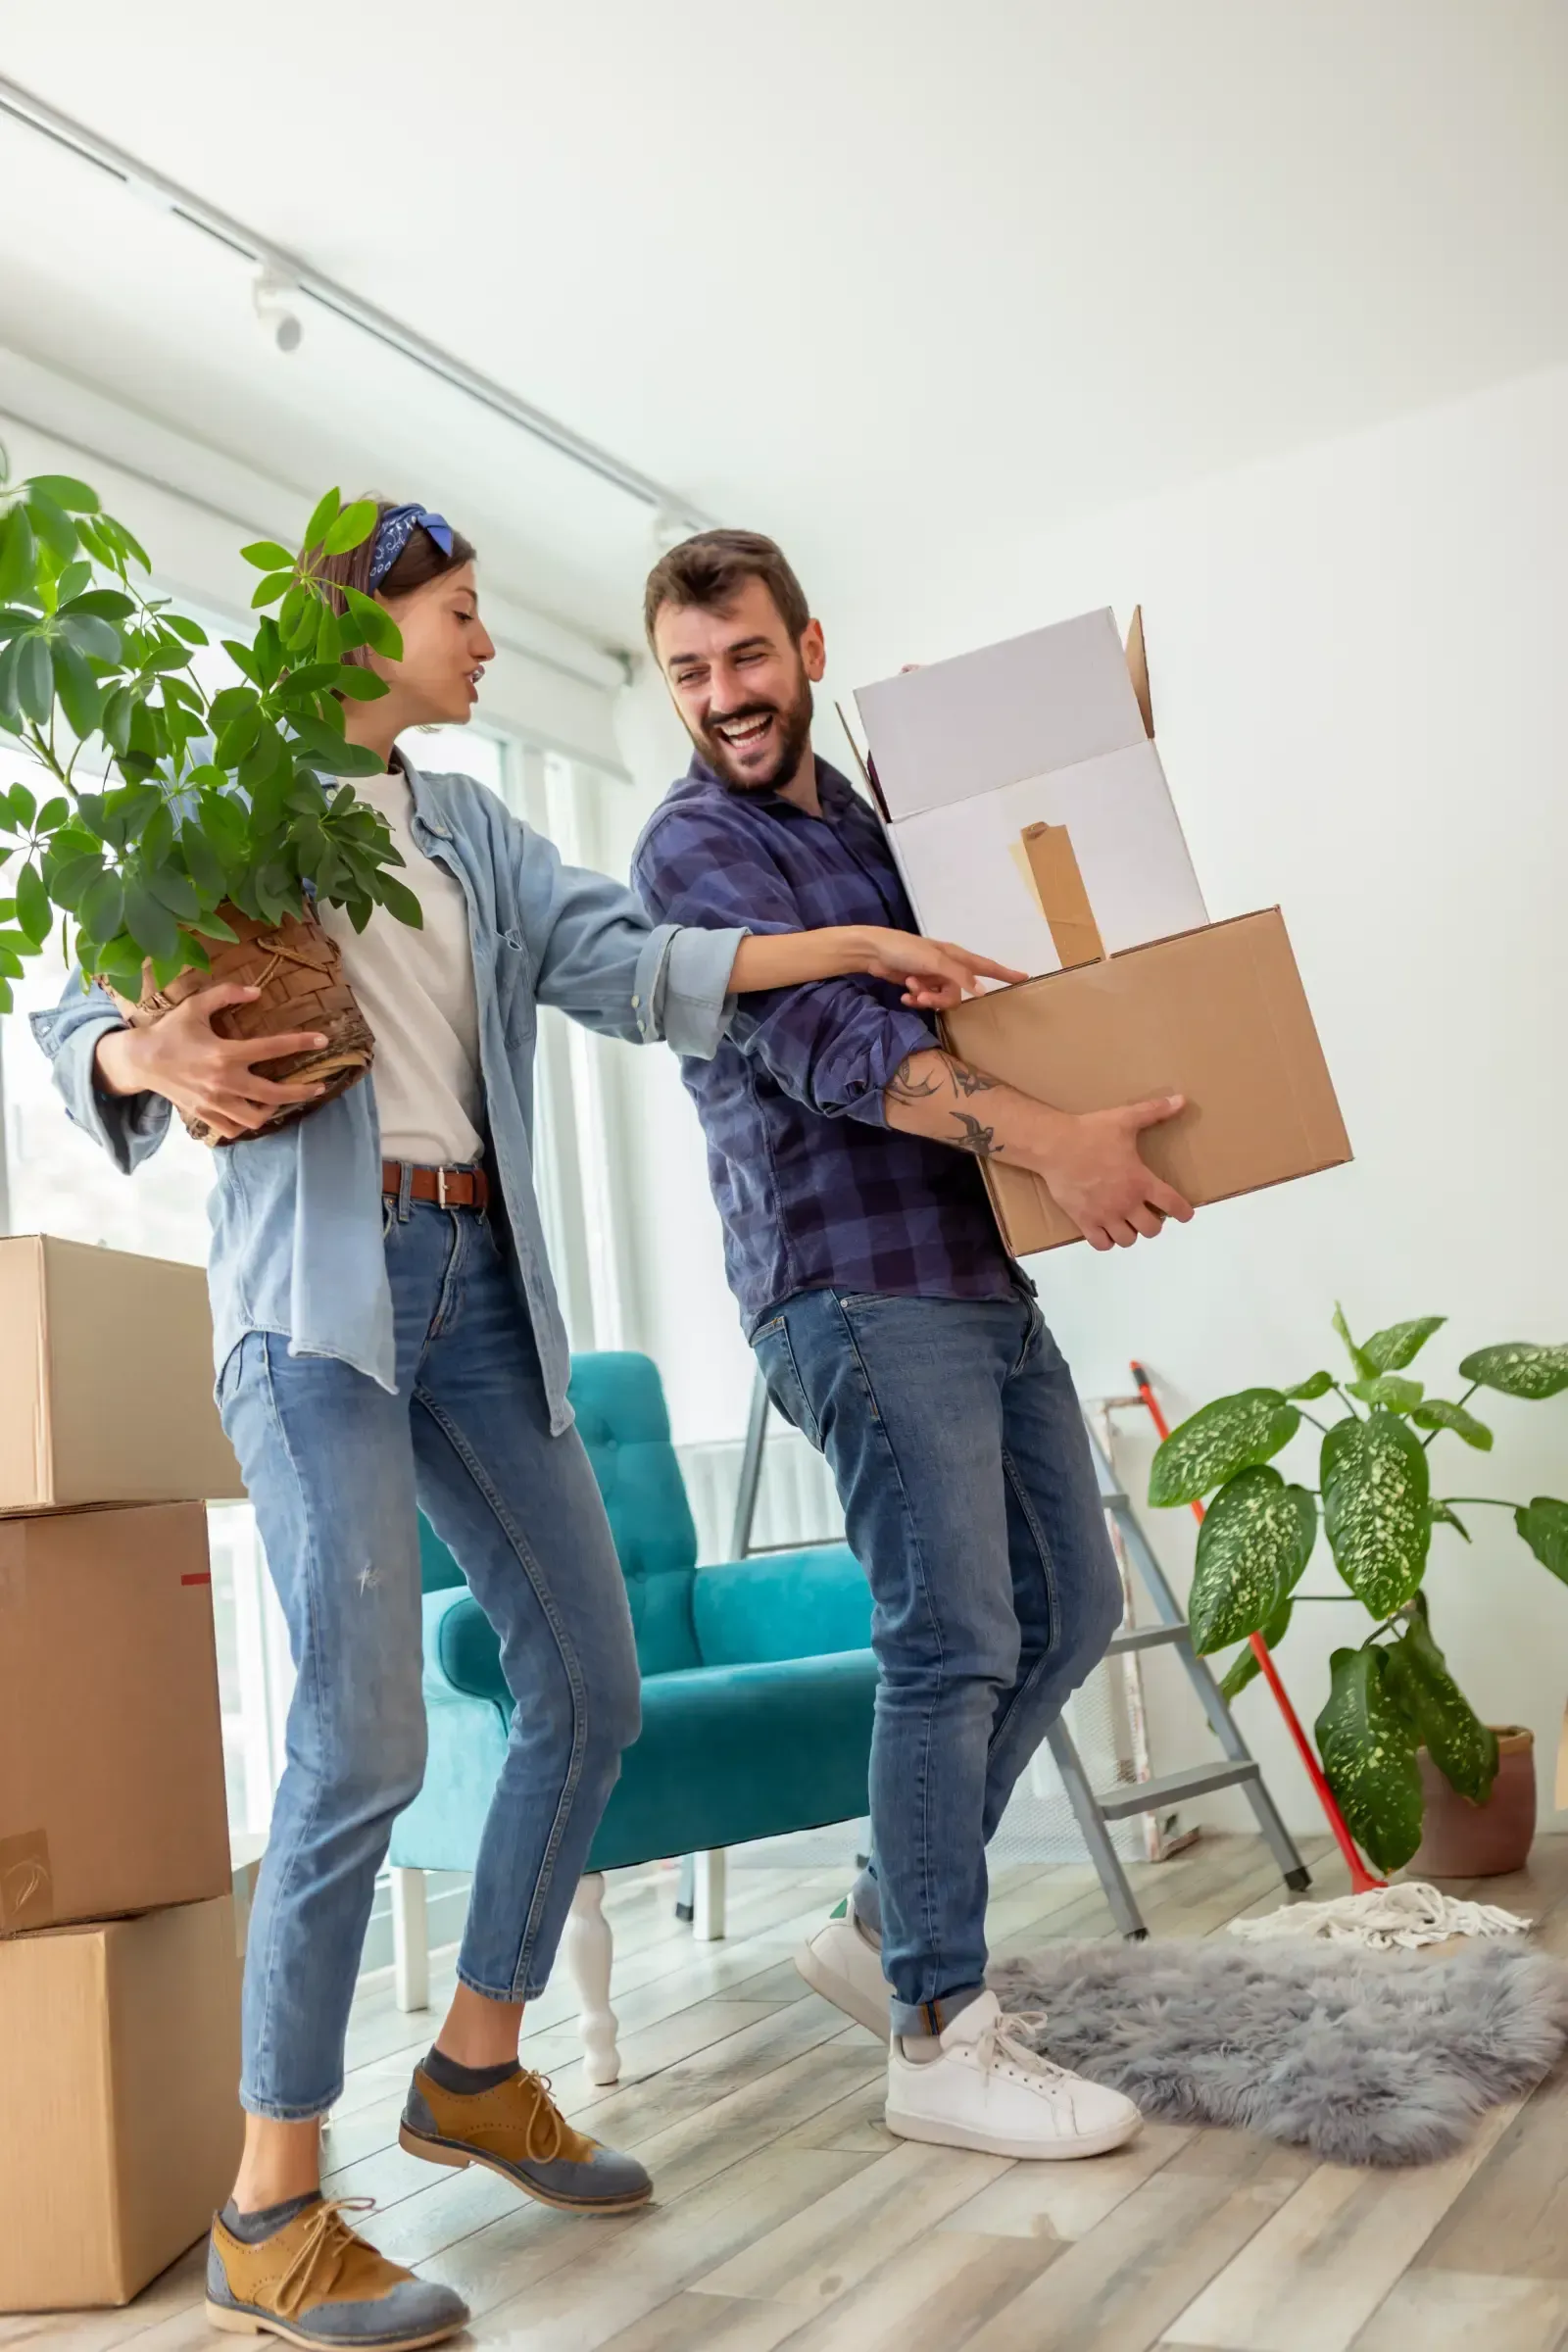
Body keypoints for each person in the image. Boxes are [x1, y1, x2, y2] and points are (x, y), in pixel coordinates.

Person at [33, 502, 1019, 2352]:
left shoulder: (473, 830)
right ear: (366, 627)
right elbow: (67, 1000)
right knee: (359, 1739)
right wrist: (133, 1054)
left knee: (596, 1683)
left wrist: (857, 945)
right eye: (462, 613)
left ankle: (477, 2060)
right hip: (320, 1313)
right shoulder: (235, 805)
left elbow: (643, 967)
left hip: (485, 1293)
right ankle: (269, 2204)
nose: (486, 644)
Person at [633, 529, 1196, 2164]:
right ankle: (938, 2032)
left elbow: (998, 980)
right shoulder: (695, 852)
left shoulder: (870, 826)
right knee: (948, 1634)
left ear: (806, 646)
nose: (724, 698)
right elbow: (832, 1045)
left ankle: (885, 1918)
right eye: (688, 672)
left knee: (1070, 1602)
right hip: (851, 1283)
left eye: (745, 657)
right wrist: (1058, 1145)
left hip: (969, 1260)